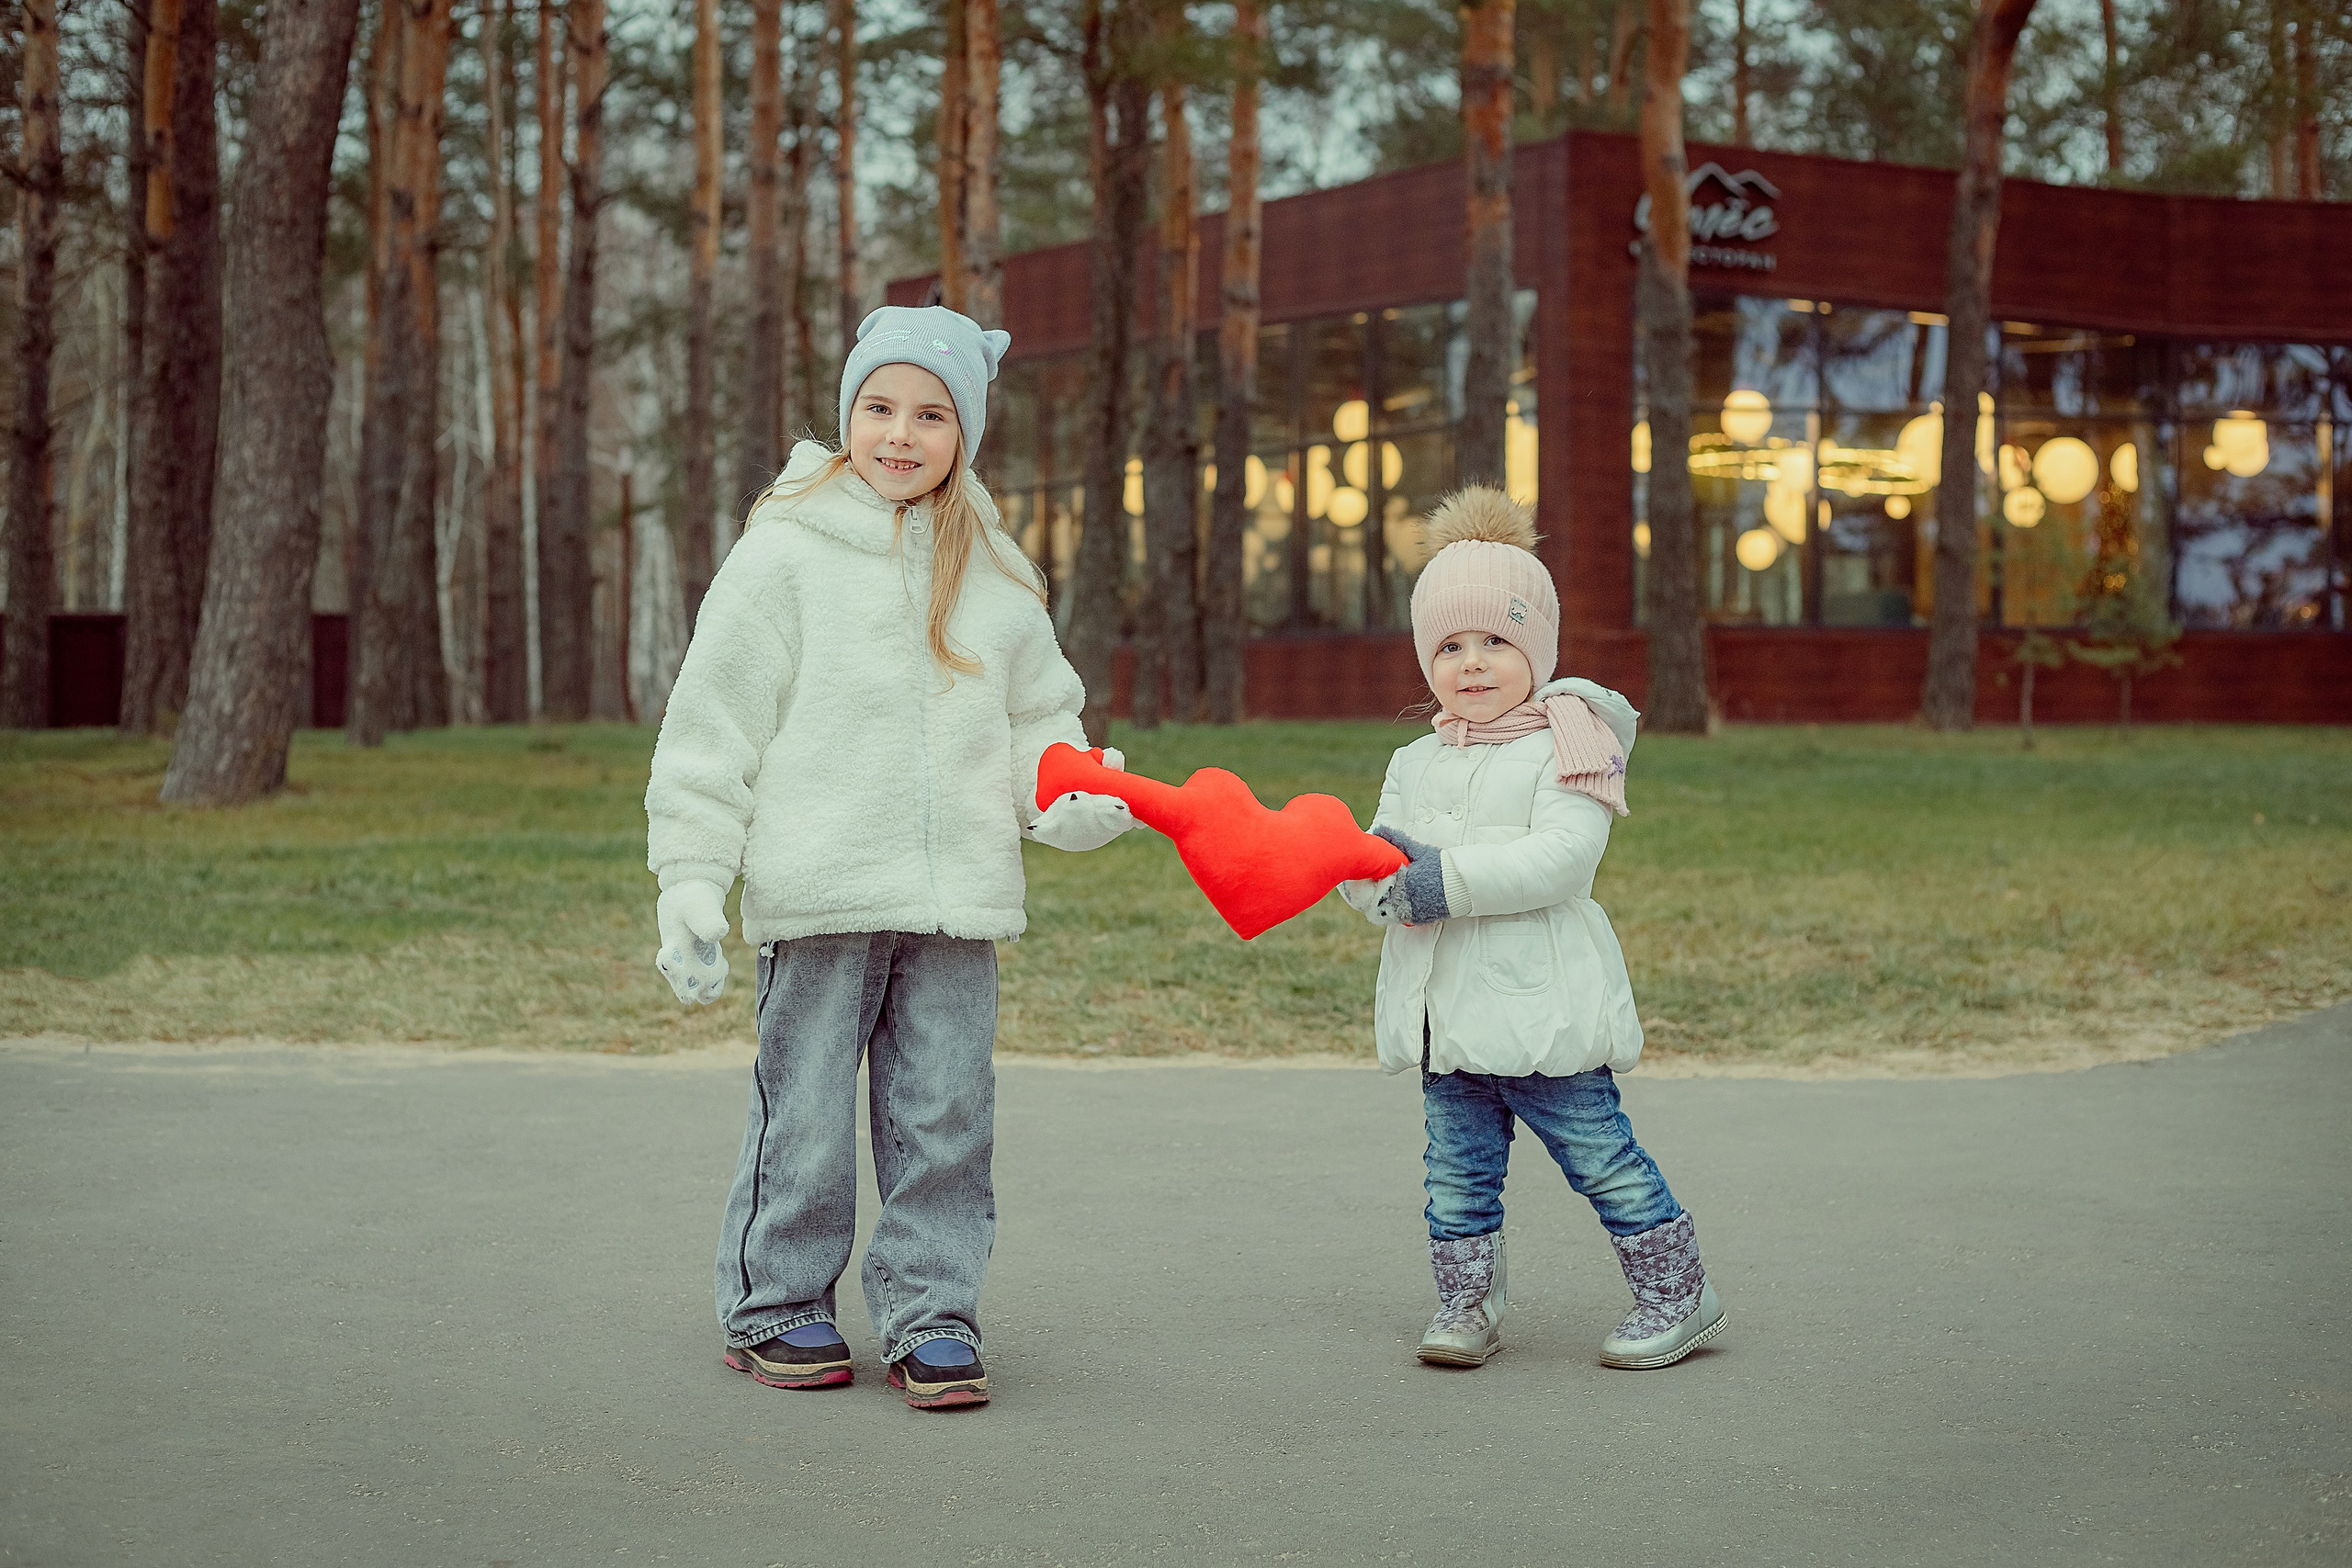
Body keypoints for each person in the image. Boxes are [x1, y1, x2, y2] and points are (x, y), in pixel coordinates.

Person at [643, 305, 1133, 1410]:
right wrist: (689, 878)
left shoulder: (998, 574)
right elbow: (711, 727)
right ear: (847, 413)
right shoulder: (785, 553)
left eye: (930, 413)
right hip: (818, 897)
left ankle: (931, 1313)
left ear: (964, 432)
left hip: (956, 907)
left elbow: (1037, 731)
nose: (900, 433)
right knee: (803, 1113)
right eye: (879, 407)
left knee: (946, 1118)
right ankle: (778, 1303)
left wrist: (1069, 795)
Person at [1340, 486, 1725, 1371]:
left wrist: (1442, 879)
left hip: (1540, 1010)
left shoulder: (1569, 742)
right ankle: (1466, 1304)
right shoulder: (1415, 759)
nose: (1472, 664)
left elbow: (1564, 858)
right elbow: (1373, 860)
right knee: (1456, 1172)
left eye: (1496, 642)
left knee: (1601, 1154)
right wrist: (1374, 885)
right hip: (1448, 1018)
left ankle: (1678, 1290)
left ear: (1537, 649)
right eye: (1450, 645)